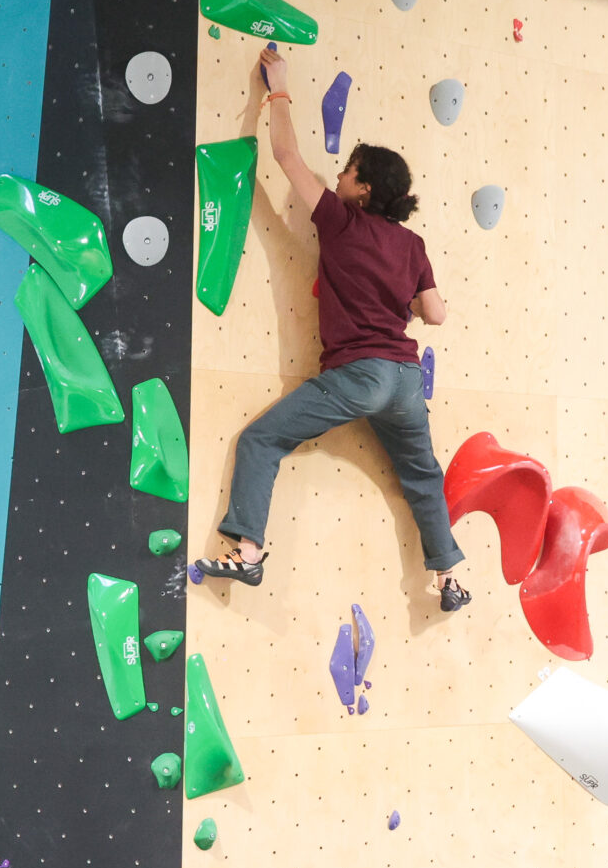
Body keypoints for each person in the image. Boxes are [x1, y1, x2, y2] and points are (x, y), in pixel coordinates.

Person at [197, 42, 470, 613]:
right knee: (422, 475)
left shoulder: (341, 222)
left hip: (360, 373)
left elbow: (286, 154)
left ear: (363, 190)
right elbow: (438, 313)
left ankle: (247, 554)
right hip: (404, 379)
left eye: (347, 170)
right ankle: (449, 579)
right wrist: (408, 301)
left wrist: (280, 84)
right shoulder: (412, 244)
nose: (339, 174)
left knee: (262, 438)